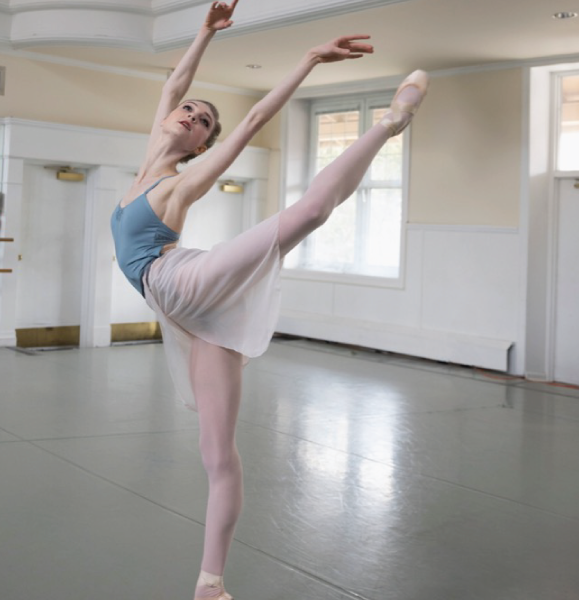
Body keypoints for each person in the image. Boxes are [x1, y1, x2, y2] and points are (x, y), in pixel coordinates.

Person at [110, 2, 429, 598]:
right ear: (167, 121)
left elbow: (254, 118)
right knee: (217, 455)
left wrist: (308, 59)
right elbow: (174, 82)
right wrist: (203, 32)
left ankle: (388, 124)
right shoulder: (146, 162)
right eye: (189, 110)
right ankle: (211, 584)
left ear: (202, 145)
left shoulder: (184, 179)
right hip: (183, 316)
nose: (192, 113)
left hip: (179, 281)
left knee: (307, 213)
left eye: (204, 120)